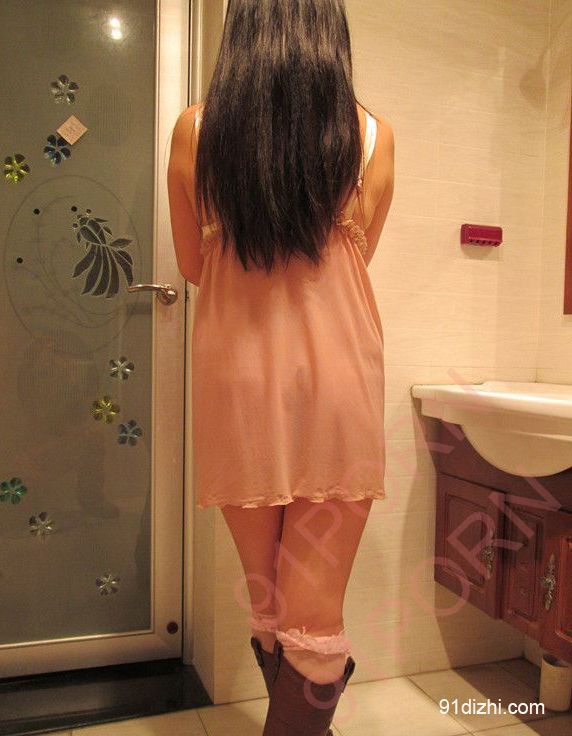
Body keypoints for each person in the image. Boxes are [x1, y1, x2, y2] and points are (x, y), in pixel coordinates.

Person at [167, 1, 394, 733]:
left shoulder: (195, 129)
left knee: (269, 601)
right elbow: (359, 259)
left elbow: (193, 265)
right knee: (313, 618)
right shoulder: (371, 136)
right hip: (337, 380)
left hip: (238, 380)